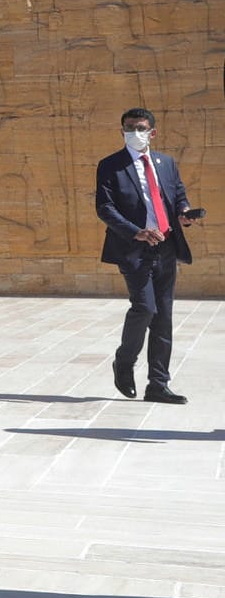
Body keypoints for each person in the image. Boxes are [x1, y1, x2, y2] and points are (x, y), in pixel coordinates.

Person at [96, 107, 197, 403]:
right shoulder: (110, 165)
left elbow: (177, 194)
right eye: (129, 128)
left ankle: (158, 384)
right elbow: (105, 207)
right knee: (145, 308)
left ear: (152, 132)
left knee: (163, 317)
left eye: (140, 128)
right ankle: (124, 361)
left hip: (166, 246)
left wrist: (184, 213)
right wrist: (135, 231)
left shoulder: (166, 163)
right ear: (122, 131)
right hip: (134, 248)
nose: (134, 133)